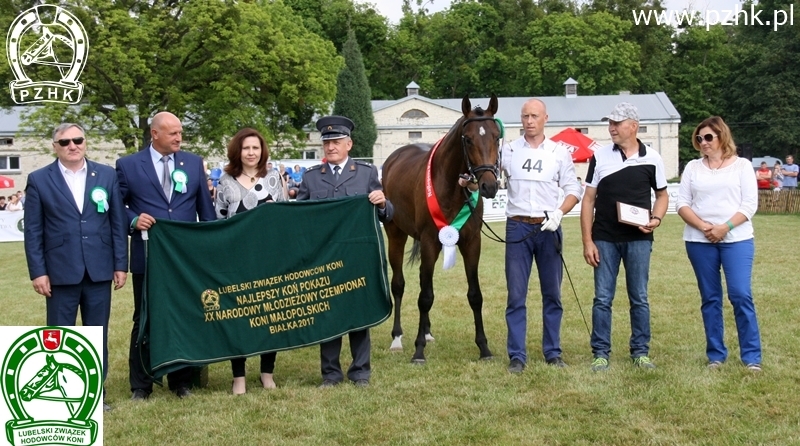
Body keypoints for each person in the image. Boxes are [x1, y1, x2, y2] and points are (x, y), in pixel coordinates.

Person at [23, 123, 128, 412]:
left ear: (85, 142)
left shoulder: (106, 175)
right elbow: (33, 231)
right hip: (59, 273)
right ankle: (57, 397)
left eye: (77, 139)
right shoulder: (39, 179)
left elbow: (117, 223)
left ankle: (96, 396)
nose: (73, 145)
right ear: (55, 146)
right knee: (58, 337)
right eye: (65, 141)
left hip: (99, 269)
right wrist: (38, 271)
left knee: (97, 335)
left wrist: (121, 264)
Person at [116, 111, 216, 400]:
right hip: (147, 256)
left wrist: (210, 250)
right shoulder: (128, 165)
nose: (178, 137)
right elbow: (116, 208)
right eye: (172, 133)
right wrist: (133, 220)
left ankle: (181, 381)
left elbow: (205, 213)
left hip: (185, 259)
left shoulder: (194, 163)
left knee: (184, 316)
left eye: (180, 132)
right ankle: (141, 385)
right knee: (144, 318)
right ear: (154, 134)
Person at [296, 115, 394, 388]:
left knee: (358, 312)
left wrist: (383, 202)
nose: (331, 147)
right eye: (327, 143)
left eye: (337, 142)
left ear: (349, 144)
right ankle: (331, 373)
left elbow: (387, 215)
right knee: (328, 313)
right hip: (324, 257)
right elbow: (299, 218)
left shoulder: (366, 174)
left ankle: (360, 371)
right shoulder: (312, 178)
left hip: (356, 257)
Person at [580, 102, 668, 372]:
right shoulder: (599, 157)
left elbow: (663, 195)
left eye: (617, 124)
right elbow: (588, 200)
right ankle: (600, 354)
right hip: (604, 238)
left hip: (639, 241)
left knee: (639, 297)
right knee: (602, 298)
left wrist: (656, 219)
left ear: (634, 126)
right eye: (610, 123)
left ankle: (640, 352)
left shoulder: (652, 157)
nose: (612, 128)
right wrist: (587, 241)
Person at [500, 99, 583, 374]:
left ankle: (552, 352)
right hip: (518, 227)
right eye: (525, 116)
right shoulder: (507, 150)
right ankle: (517, 355)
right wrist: (468, 180)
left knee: (552, 293)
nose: (529, 121)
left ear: (545, 118)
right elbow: (483, 178)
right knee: (516, 295)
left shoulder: (559, 152)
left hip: (548, 228)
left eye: (534, 116)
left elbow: (573, 188)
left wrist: (559, 212)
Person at [676, 117, 762, 371]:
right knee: (710, 298)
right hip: (699, 241)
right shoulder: (693, 168)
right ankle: (716, 354)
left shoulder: (742, 166)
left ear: (722, 137)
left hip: (737, 239)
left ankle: (752, 356)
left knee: (740, 294)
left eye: (708, 137)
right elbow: (682, 204)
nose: (703, 143)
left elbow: (749, 204)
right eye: (699, 138)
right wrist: (705, 228)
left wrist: (725, 227)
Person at [215, 128, 286, 394]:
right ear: (238, 151)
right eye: (246, 148)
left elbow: (284, 217)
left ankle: (267, 373)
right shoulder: (225, 181)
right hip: (237, 259)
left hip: (269, 258)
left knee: (270, 314)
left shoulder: (273, 178)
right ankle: (239, 376)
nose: (251, 153)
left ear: (262, 150)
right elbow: (219, 220)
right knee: (239, 316)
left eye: (255, 148)